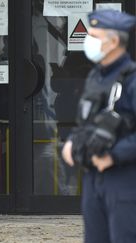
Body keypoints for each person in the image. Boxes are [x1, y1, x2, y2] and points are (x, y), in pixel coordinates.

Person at [61, 10, 136, 243]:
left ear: (114, 42)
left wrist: (113, 156)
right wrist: (73, 142)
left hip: (123, 178)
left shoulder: (132, 79)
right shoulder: (96, 76)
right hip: (94, 177)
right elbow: (87, 119)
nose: (88, 41)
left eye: (94, 35)